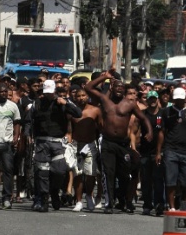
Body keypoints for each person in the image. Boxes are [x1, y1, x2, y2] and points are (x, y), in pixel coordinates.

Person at [85, 69, 152, 214]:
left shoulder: (130, 104)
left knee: (124, 174)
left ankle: (122, 200)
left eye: (122, 88)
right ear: (112, 88)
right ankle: (108, 204)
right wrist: (104, 77)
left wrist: (150, 131)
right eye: (117, 87)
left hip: (123, 144)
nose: (119, 89)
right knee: (108, 173)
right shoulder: (105, 100)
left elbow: (144, 118)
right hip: (108, 143)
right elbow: (88, 88)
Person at [26, 79, 82, 212]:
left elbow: (78, 113)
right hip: (42, 142)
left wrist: (66, 103)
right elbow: (28, 120)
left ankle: (54, 191)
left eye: (51, 93)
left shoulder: (62, 102)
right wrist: (27, 134)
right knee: (42, 172)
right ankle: (44, 200)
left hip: (57, 142)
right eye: (46, 93)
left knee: (59, 171)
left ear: (55, 92)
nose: (48, 95)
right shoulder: (37, 103)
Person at [157, 88, 186, 211]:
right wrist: (158, 151)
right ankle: (172, 206)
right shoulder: (166, 112)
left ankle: (184, 201)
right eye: (176, 99)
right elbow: (162, 132)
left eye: (180, 99)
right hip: (170, 150)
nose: (178, 101)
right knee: (170, 180)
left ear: (185, 98)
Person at [70, 88, 103, 212]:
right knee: (77, 173)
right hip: (76, 144)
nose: (81, 98)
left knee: (90, 174)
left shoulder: (95, 110)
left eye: (83, 95)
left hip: (90, 145)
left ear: (87, 96)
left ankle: (89, 196)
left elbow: (101, 128)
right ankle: (78, 201)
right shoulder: (72, 111)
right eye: (78, 96)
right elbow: (69, 129)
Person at [139, 90, 165, 216]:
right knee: (146, 180)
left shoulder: (163, 113)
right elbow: (135, 130)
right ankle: (147, 205)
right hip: (144, 152)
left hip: (158, 153)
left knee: (159, 180)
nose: (153, 101)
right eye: (150, 99)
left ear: (158, 99)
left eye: (154, 99)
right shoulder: (143, 114)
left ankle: (159, 204)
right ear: (147, 100)